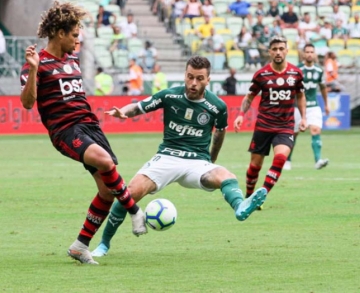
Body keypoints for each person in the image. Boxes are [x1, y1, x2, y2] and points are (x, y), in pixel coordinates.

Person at [91, 56, 267, 257]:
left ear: (208, 79)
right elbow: (140, 106)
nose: (193, 83)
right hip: (167, 157)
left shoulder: (217, 106)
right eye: (190, 77)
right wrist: (122, 112)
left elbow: (219, 134)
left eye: (199, 78)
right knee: (129, 192)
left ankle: (239, 206)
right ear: (185, 74)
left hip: (197, 162)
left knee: (227, 177)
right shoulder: (169, 96)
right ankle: (103, 244)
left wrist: (211, 161)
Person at [19, 1, 147, 265]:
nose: (77, 41)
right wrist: (32, 70)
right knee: (105, 161)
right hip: (64, 130)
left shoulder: (73, 58)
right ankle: (134, 210)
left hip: (90, 126)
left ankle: (80, 246)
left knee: (106, 191)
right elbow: (28, 103)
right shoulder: (38, 62)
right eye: (74, 35)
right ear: (60, 33)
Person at [234, 36, 307, 206]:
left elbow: (301, 95)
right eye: (275, 49)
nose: (278, 52)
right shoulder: (261, 74)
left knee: (280, 159)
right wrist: (240, 114)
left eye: (281, 48)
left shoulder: (296, 73)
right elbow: (249, 97)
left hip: (285, 127)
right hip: (264, 126)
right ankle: (249, 196)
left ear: (287, 50)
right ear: (269, 52)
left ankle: (263, 193)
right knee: (255, 166)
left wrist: (303, 117)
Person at [284, 43, 330, 170]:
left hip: (313, 106)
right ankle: (287, 160)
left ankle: (318, 160)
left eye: (311, 52)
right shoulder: (296, 70)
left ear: (314, 54)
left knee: (316, 130)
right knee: (294, 134)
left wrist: (326, 104)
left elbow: (323, 88)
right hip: (297, 107)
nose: (309, 54)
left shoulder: (319, 71)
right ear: (303, 54)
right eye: (307, 52)